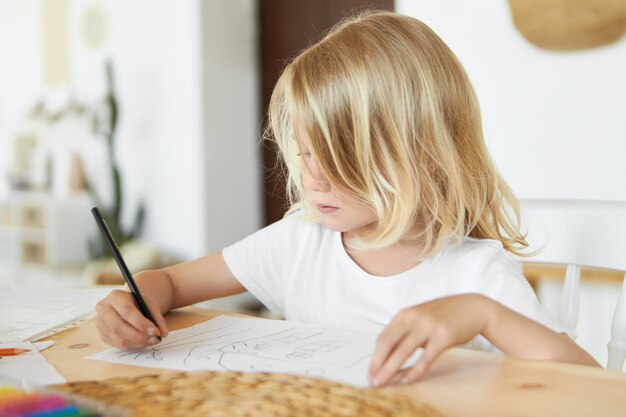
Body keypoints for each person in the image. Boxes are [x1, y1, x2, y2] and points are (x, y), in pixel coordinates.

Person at [95, 11, 599, 386]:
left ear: (425, 153)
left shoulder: (477, 277)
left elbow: (592, 384)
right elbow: (168, 283)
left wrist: (484, 315)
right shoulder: (299, 244)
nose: (313, 178)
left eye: (340, 155)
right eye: (306, 153)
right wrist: (135, 301)